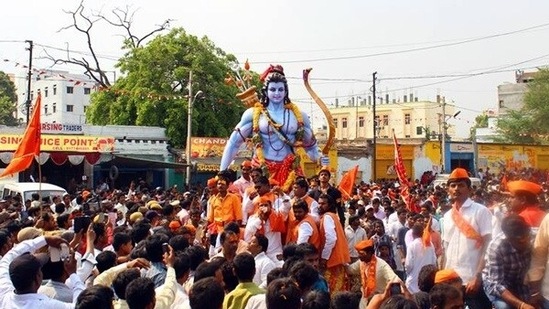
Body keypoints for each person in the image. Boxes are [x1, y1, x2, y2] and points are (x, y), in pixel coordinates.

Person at [220, 65, 319, 187]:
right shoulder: (253, 114)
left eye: (280, 89)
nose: (277, 93)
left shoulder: (299, 116)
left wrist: (320, 158)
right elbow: (233, 143)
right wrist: (221, 173)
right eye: (272, 90)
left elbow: (312, 148)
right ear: (265, 91)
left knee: (294, 205)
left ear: (285, 91)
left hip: (290, 169)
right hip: (261, 170)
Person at [442, 168, 492, 309]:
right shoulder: (446, 217)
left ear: (469, 189)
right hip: (451, 282)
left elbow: (487, 245)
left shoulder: (480, 211)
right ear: (448, 190)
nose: (456, 188)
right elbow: (446, 249)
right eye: (453, 185)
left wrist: (477, 276)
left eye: (461, 185)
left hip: (472, 280)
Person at [0, 235, 81, 308]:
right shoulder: (46, 305)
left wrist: (45, 240)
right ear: (38, 278)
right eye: (39, 270)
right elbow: (81, 306)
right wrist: (73, 274)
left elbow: (8, 258)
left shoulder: (4, 295)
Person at [483, 214, 534, 309]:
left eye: (527, 237)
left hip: (522, 282)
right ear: (509, 239)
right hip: (499, 283)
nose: (526, 242)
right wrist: (521, 305)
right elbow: (497, 285)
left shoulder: (533, 234)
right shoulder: (496, 248)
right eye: (520, 241)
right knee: (504, 307)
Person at [347, 239, 399, 307]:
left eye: (362, 254)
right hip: (364, 300)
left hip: (379, 301)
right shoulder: (361, 262)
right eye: (358, 253)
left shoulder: (382, 265)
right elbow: (350, 269)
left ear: (370, 253)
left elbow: (395, 280)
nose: (359, 256)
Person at [318, 193, 351, 293]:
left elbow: (331, 239)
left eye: (323, 203)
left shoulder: (328, 217)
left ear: (329, 205)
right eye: (319, 203)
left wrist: (324, 258)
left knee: (332, 292)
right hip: (337, 261)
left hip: (332, 262)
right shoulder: (333, 216)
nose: (320, 206)